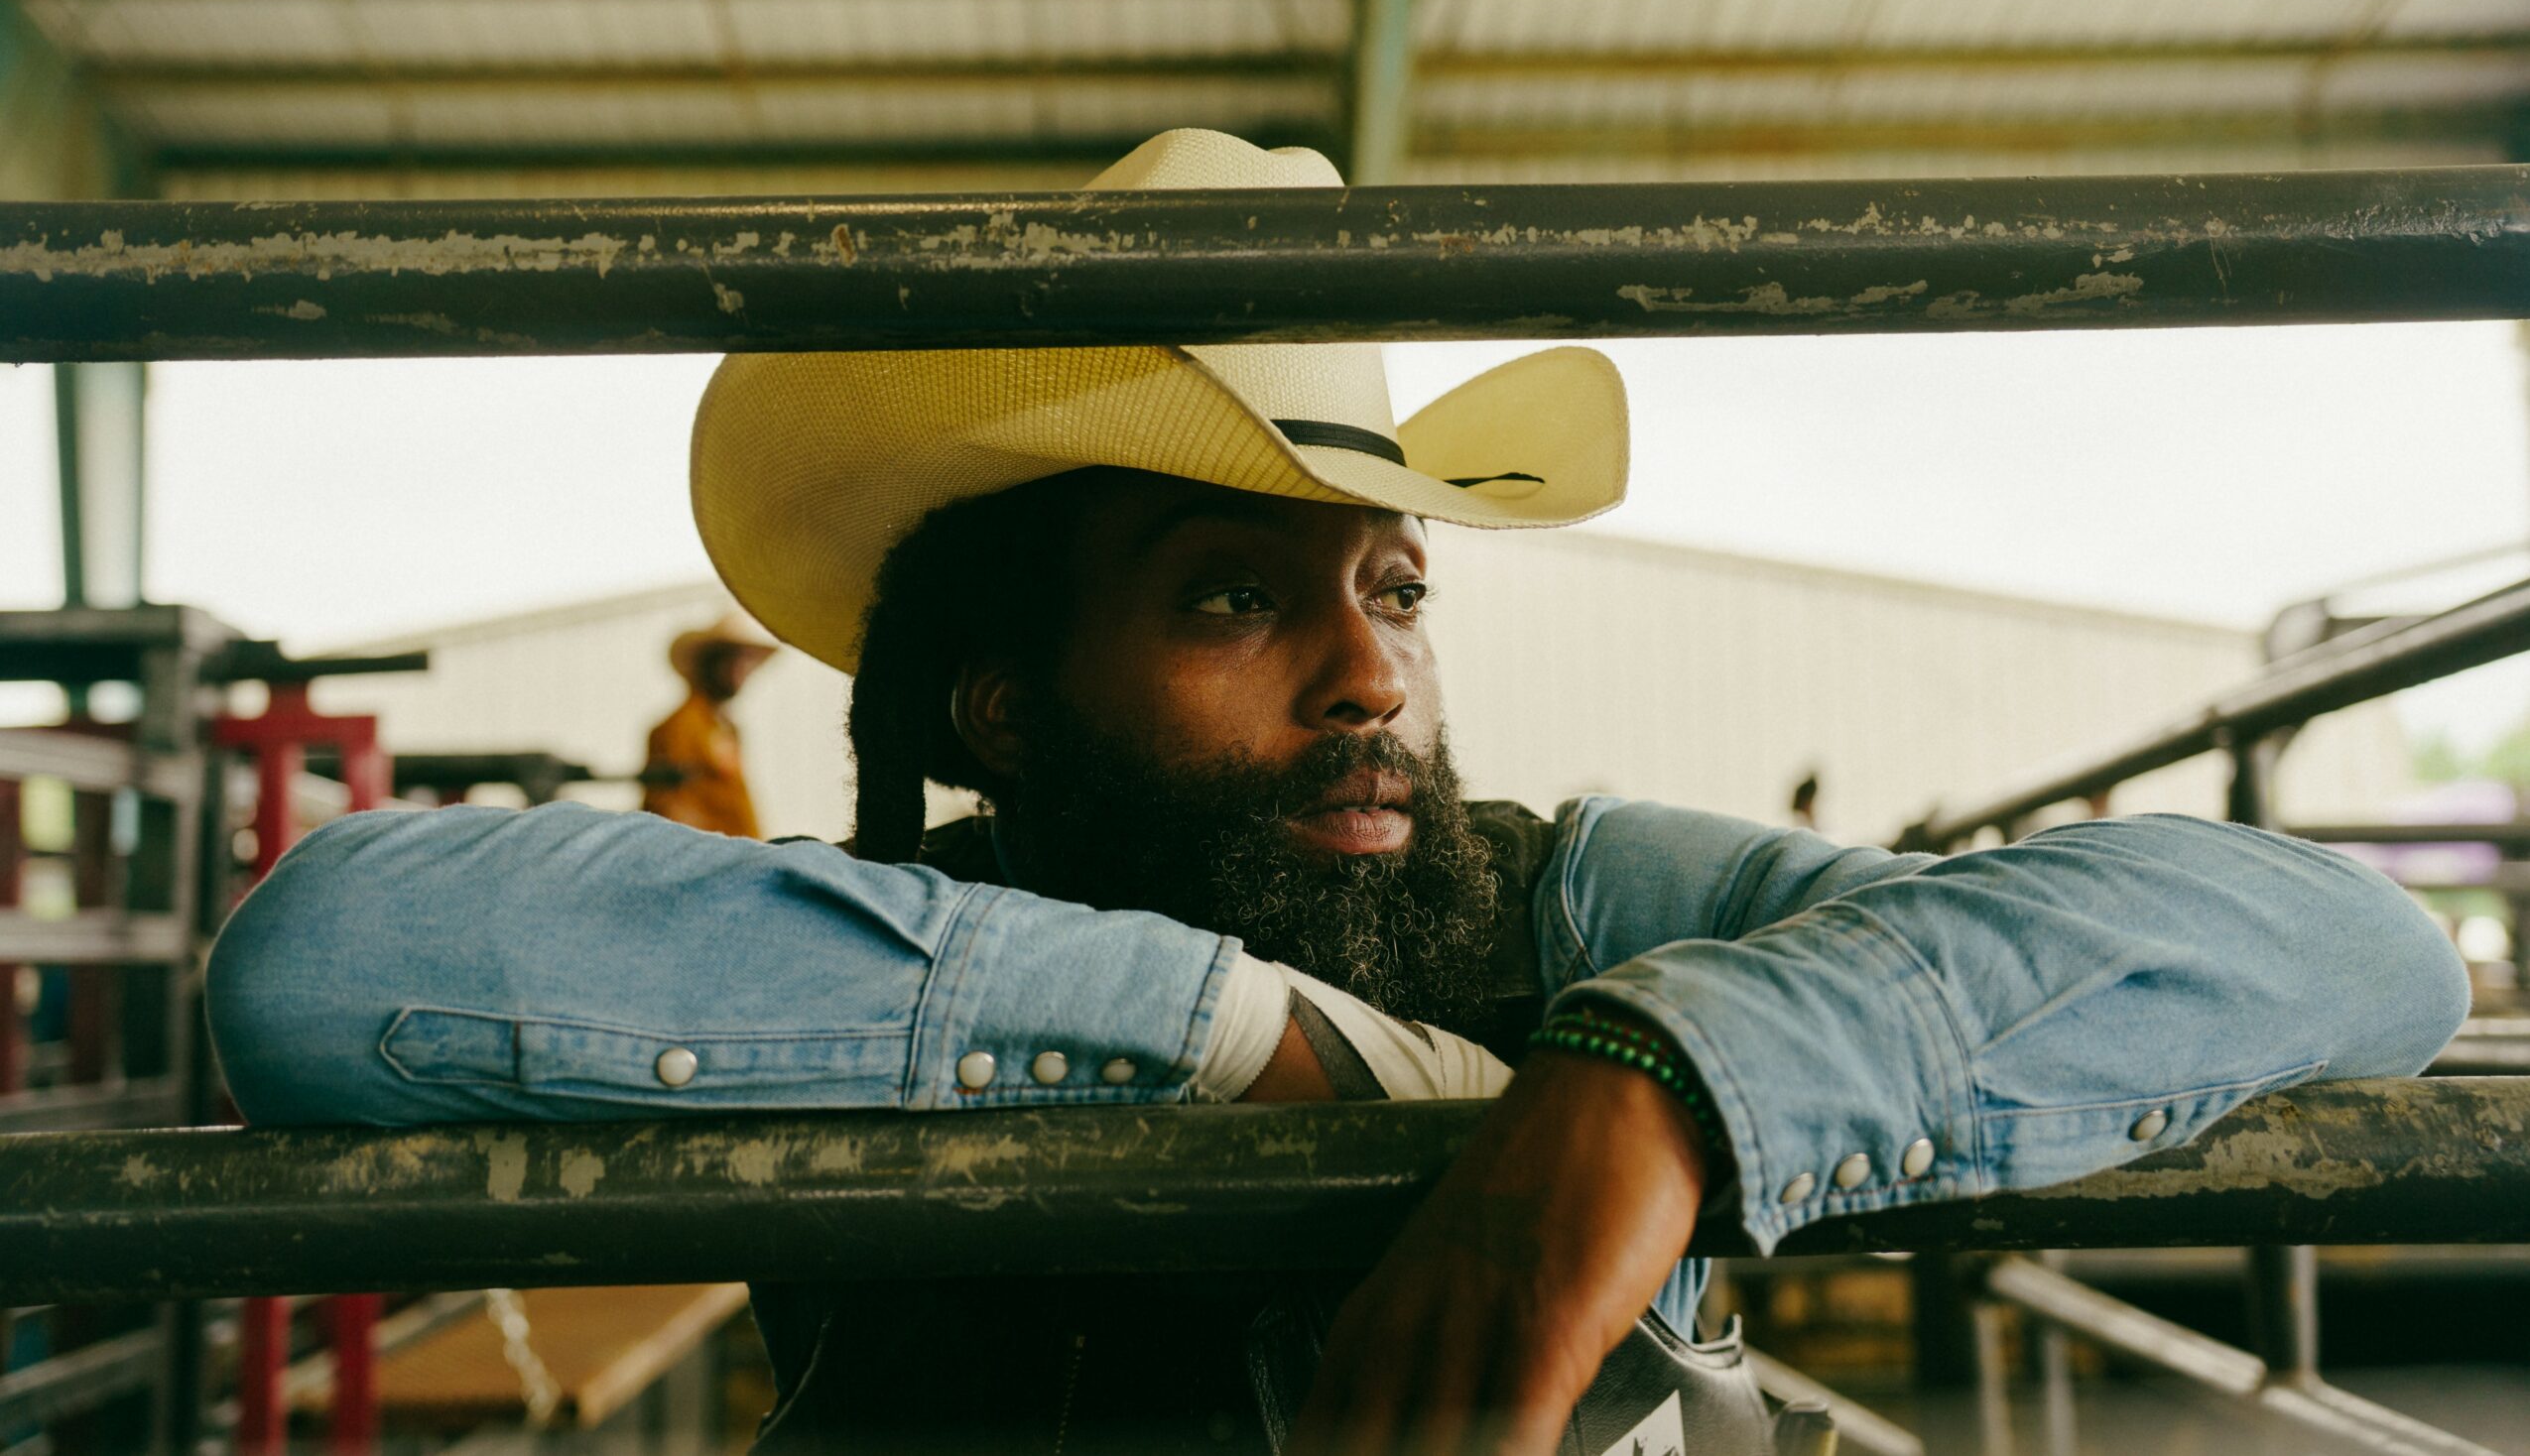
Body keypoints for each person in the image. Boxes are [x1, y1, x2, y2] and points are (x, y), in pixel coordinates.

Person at [204, 130, 2468, 1456]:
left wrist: (1656, 1078)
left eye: (1393, 579)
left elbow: (2344, 940)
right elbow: (334, 956)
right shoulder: (877, 939)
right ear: (993, 701)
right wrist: (1275, 1047)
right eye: (1226, 596)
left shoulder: (1582, 900)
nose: (1371, 662)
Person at [639, 613, 776, 838]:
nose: (741, 669)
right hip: (711, 862)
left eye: (746, 659)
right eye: (731, 659)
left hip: (741, 857)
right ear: (709, 662)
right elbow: (670, 811)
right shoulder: (679, 726)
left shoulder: (725, 728)